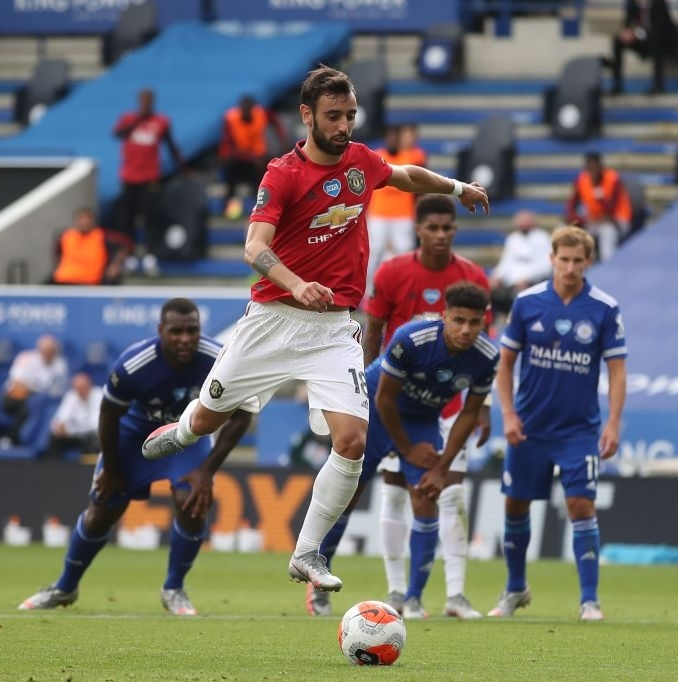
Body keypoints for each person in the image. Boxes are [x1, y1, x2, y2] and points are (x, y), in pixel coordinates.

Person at [141, 65, 490, 599]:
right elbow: (254, 248)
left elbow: (409, 176)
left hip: (332, 330)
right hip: (274, 320)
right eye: (333, 116)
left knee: (351, 442)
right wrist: (296, 283)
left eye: (350, 114)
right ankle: (185, 430)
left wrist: (458, 186)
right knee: (209, 418)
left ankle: (308, 551)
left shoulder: (360, 162)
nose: (344, 125)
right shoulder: (281, 174)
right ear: (307, 116)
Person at [307, 194, 492, 618]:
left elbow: (478, 353)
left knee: (439, 492)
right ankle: (321, 578)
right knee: (353, 495)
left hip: (437, 407)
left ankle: (427, 597)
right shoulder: (392, 273)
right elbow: (373, 332)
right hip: (383, 397)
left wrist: (480, 409)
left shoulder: (472, 279)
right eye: (434, 227)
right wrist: (356, 390)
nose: (442, 235)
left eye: (449, 228)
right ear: (418, 229)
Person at [18, 298, 253, 615]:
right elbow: (108, 415)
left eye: (192, 330)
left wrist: (206, 472)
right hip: (134, 436)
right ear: (160, 331)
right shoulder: (134, 364)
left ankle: (174, 589)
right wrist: (113, 469)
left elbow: (242, 415)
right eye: (176, 331)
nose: (185, 338)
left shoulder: (219, 359)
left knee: (193, 503)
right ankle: (64, 587)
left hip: (184, 436)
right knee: (101, 511)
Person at [490, 225, 627, 622]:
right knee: (516, 504)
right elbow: (506, 364)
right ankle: (516, 588)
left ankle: (589, 601)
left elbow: (617, 372)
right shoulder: (527, 302)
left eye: (577, 261)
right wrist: (509, 415)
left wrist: (613, 423)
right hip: (529, 426)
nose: (569, 268)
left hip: (578, 430)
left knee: (581, 504)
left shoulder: (604, 308)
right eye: (563, 260)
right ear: (551, 259)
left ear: (589, 262)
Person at [342, 282, 498, 620]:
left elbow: (469, 413)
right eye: (458, 320)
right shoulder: (411, 338)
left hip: (423, 418)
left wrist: (441, 467)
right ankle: (315, 572)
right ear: (445, 317)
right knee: (348, 490)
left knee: (428, 493)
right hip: (374, 408)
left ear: (484, 322)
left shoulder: (487, 356)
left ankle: (413, 598)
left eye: (474, 323)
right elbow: (384, 398)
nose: (466, 329)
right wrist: (408, 450)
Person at [112, 88, 183, 275]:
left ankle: (150, 256)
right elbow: (117, 134)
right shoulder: (128, 119)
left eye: (148, 100)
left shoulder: (161, 122)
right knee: (128, 219)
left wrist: (184, 168)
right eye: (142, 100)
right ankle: (131, 256)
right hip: (128, 177)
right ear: (138, 101)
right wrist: (138, 119)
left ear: (153, 101)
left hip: (149, 178)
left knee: (150, 218)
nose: (146, 103)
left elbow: (171, 145)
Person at [366, 124, 428, 291]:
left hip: (403, 214)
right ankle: (368, 292)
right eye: (390, 136)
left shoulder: (413, 156)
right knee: (374, 253)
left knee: (404, 252)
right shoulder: (377, 155)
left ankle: (404, 288)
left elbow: (421, 179)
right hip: (379, 213)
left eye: (396, 136)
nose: (392, 140)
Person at [219, 94, 287, 219]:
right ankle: (227, 206)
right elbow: (230, 147)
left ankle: (261, 208)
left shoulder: (261, 114)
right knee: (230, 171)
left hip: (257, 156)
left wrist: (282, 141)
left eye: (249, 110)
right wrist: (251, 157)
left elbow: (275, 122)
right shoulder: (230, 118)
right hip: (238, 157)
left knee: (265, 174)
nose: (246, 113)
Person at [0, 334, 68, 448]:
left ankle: (42, 444)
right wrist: (35, 390)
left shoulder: (60, 363)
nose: (49, 353)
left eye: (52, 350)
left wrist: (40, 393)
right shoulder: (25, 358)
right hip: (15, 397)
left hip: (41, 400)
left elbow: (59, 387)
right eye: (46, 350)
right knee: (27, 409)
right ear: (39, 349)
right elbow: (16, 382)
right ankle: (11, 439)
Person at [565, 153, 632, 262]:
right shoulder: (582, 179)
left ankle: (608, 263)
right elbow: (572, 204)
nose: (593, 171)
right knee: (573, 232)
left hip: (617, 220)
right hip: (594, 221)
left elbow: (611, 211)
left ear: (601, 167)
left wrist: (600, 197)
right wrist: (577, 219)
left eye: (595, 167)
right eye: (590, 168)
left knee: (607, 231)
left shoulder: (613, 179)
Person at [608, 0, 678, 95]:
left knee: (655, 40)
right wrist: (627, 33)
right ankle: (616, 85)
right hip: (644, 40)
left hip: (665, 41)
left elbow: (658, 28)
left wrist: (636, 34)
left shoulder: (659, 3)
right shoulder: (632, 4)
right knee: (618, 41)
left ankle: (658, 85)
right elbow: (628, 23)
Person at [488, 210, 553, 316]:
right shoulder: (513, 238)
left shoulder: (542, 238)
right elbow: (505, 262)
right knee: (487, 291)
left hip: (532, 283)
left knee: (519, 295)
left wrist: (528, 279)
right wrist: (496, 276)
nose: (522, 224)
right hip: (510, 282)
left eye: (525, 220)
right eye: (520, 221)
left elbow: (547, 265)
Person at [49, 207, 132, 286]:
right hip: (64, 279)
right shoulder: (65, 236)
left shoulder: (103, 236)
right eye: (81, 219)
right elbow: (58, 254)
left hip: (91, 281)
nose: (84, 222)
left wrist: (115, 265)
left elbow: (125, 245)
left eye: (87, 219)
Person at [46, 372, 103, 460]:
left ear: (89, 385)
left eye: (83, 387)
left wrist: (69, 430)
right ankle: (55, 468)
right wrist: (59, 427)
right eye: (78, 388)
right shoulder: (71, 396)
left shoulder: (98, 395)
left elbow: (95, 425)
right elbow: (58, 420)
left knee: (95, 438)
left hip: (90, 436)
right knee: (54, 437)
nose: (81, 390)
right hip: (74, 436)